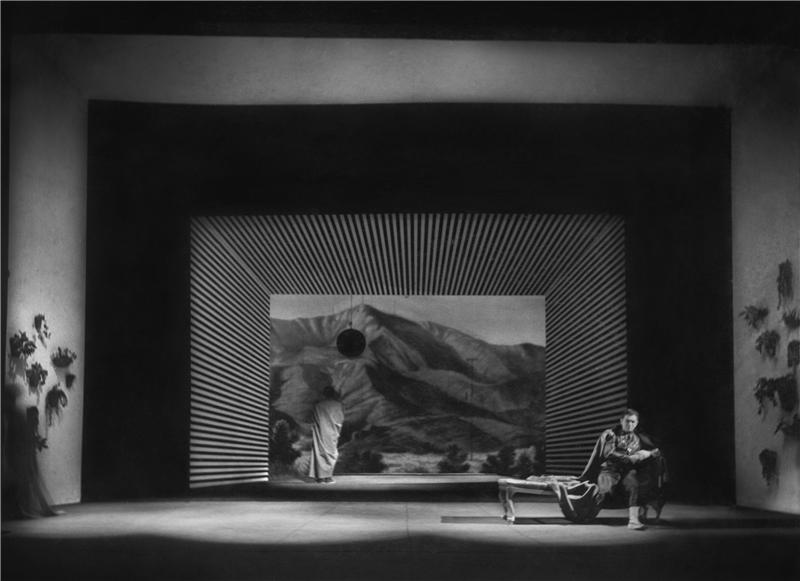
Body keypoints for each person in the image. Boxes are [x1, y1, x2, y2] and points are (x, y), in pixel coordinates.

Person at [578, 408, 662, 530]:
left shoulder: (636, 439)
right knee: (604, 493)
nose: (630, 424)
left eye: (633, 422)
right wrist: (630, 458)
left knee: (634, 484)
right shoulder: (611, 434)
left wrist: (644, 455)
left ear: (637, 423)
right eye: (627, 421)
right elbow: (609, 453)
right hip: (609, 470)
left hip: (626, 471)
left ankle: (633, 521)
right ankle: (586, 513)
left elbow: (635, 453)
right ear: (621, 421)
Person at [308, 386, 344, 484]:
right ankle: (328, 477)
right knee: (331, 453)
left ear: (324, 394)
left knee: (320, 453)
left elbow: (315, 420)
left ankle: (320, 478)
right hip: (332, 433)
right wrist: (336, 429)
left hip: (321, 432)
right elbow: (340, 419)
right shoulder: (337, 405)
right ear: (333, 394)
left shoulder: (318, 405)